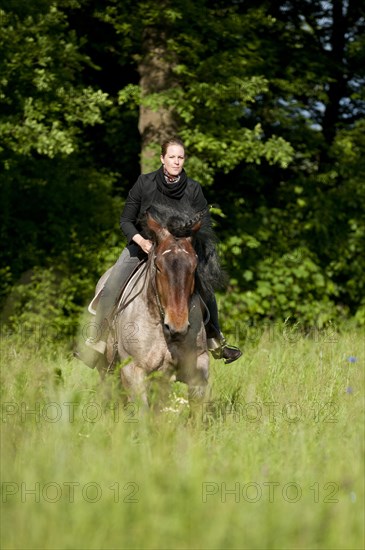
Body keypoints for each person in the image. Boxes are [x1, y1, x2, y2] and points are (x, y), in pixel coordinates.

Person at [83, 138, 242, 367]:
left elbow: (204, 224)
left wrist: (187, 246)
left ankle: (215, 339)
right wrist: (141, 241)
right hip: (142, 246)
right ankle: (96, 340)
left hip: (179, 253)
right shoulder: (144, 183)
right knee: (113, 284)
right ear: (162, 159)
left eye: (180, 157)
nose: (176, 162)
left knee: (206, 289)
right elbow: (126, 220)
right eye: (172, 157)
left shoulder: (193, 188)